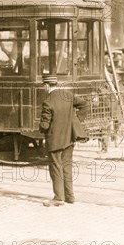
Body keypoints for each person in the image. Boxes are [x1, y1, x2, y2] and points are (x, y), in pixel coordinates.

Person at [38, 75, 89, 207]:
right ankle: (70, 197)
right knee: (67, 166)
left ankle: (59, 198)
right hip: (69, 138)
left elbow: (44, 125)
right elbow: (84, 104)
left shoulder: (48, 101)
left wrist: (40, 127)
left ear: (47, 85)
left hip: (54, 140)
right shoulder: (67, 95)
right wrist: (76, 121)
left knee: (56, 168)